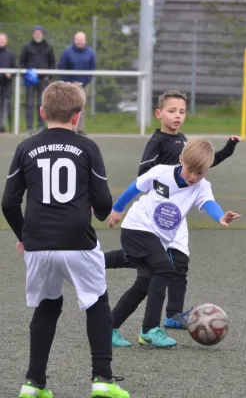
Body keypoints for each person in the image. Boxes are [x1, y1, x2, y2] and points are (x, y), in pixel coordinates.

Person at [1, 81, 129, 397]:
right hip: (78, 240)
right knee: (97, 301)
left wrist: (24, 236)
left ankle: (33, 384)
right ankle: (102, 379)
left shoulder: (25, 147)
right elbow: (103, 205)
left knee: (47, 305)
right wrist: (101, 210)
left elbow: (8, 202)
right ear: (77, 116)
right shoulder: (88, 148)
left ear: (43, 112)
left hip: (39, 243)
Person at [103, 90, 240, 345]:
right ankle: (149, 331)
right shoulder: (161, 172)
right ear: (180, 161)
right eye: (191, 171)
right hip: (138, 226)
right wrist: (118, 208)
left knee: (144, 282)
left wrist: (221, 217)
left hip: (160, 235)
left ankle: (108, 328)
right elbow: (136, 187)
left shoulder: (201, 185)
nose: (194, 177)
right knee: (165, 267)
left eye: (200, 173)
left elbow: (209, 203)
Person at [58, 31, 96, 136]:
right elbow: (62, 66)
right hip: (68, 85)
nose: (79, 42)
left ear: (85, 40)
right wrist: (68, 83)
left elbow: (92, 69)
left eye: (81, 40)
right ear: (74, 40)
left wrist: (85, 81)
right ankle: (67, 128)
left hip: (84, 85)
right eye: (78, 39)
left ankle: (79, 129)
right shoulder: (67, 52)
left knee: (81, 107)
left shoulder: (90, 53)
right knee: (67, 106)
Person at [19, 25, 55, 136]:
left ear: (43, 34)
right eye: (35, 32)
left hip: (43, 80)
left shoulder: (48, 47)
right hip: (30, 80)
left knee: (42, 103)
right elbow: (21, 62)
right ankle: (29, 127)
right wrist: (25, 75)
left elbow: (52, 62)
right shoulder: (26, 47)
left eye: (39, 32)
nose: (37, 34)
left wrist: (49, 76)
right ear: (33, 34)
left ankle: (41, 126)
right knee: (29, 103)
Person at [0, 32, 16, 133]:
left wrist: (11, 73)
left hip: (6, 85)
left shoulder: (10, 54)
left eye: (3, 39)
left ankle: (5, 127)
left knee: (5, 107)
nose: (1, 41)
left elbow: (15, 67)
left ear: (6, 41)